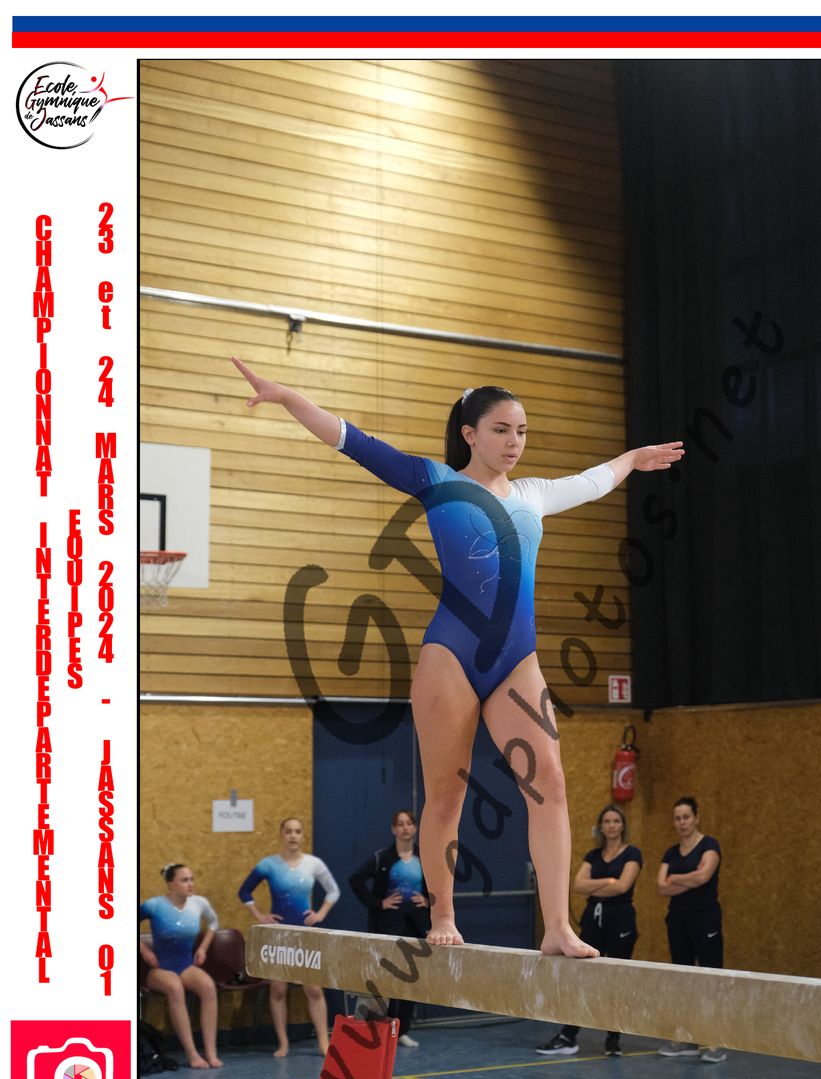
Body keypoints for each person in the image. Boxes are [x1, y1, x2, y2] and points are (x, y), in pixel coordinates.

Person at [232, 357, 683, 956]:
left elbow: (593, 480)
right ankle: (442, 913)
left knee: (549, 781)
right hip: (451, 656)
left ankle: (556, 926)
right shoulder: (436, 480)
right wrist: (287, 396)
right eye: (501, 430)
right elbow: (352, 440)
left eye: (522, 431)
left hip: (517, 660)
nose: (514, 442)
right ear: (470, 433)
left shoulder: (534, 495)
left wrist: (632, 458)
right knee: (447, 794)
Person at [535, 804, 642, 1057]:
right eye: (607, 821)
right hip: (593, 917)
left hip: (620, 919)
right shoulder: (593, 855)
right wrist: (608, 881)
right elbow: (578, 884)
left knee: (616, 978)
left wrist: (599, 885)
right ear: (601, 827)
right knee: (581, 975)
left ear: (622, 826)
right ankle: (568, 1036)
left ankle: (613, 1038)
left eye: (616, 821)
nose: (612, 825)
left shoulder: (632, 854)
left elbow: (623, 886)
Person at [238, 818, 340, 1056]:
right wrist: (260, 916)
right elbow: (244, 891)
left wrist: (320, 914)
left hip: (305, 935)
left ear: (302, 835)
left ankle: (323, 1042)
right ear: (281, 834)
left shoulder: (313, 864)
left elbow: (333, 890)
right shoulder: (268, 865)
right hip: (279, 936)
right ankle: (283, 1043)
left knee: (314, 990)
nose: (293, 836)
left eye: (297, 831)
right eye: (288, 831)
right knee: (278, 989)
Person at [349, 809, 429, 1048]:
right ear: (394, 829)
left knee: (410, 981)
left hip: (414, 927)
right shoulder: (382, 858)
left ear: (415, 828)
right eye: (400, 824)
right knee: (387, 981)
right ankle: (385, 1027)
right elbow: (355, 879)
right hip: (388, 927)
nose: (405, 828)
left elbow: (440, 884)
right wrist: (377, 903)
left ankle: (402, 1030)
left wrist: (429, 900)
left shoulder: (425, 857)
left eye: (409, 823)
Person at [656, 796, 727, 1063]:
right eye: (677, 818)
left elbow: (703, 876)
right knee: (682, 978)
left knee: (710, 978)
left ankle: (717, 1041)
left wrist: (676, 878)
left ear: (696, 818)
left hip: (705, 919)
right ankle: (687, 1039)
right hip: (678, 920)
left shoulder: (709, 845)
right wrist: (688, 880)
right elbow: (661, 887)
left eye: (686, 817)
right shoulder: (671, 853)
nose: (682, 822)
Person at [139, 864, 223, 1069]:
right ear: (171, 884)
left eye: (191, 879)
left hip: (185, 965)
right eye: (184, 880)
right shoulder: (154, 905)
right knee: (175, 987)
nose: (190, 884)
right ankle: (192, 1054)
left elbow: (213, 923)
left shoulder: (199, 903)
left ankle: (211, 1053)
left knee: (208, 986)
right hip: (160, 968)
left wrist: (203, 948)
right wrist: (145, 951)